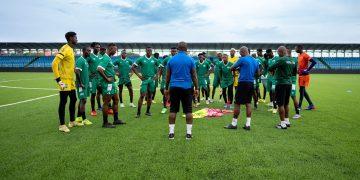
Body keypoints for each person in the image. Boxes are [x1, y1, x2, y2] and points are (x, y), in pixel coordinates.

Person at [165, 41, 199, 140]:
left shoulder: (171, 60)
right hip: (187, 87)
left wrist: (166, 88)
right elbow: (194, 75)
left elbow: (167, 76)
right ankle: (188, 134)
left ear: (178, 48)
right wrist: (196, 88)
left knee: (173, 110)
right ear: (186, 49)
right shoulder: (190, 60)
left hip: (174, 87)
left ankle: (171, 134)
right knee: (188, 111)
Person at [52, 31, 82, 133]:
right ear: (70, 38)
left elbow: (71, 66)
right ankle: (62, 125)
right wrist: (59, 80)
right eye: (75, 37)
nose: (77, 39)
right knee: (63, 102)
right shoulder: (64, 48)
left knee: (73, 100)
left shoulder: (71, 50)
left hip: (71, 80)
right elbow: (54, 64)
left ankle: (72, 121)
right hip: (64, 81)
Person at [224, 46, 259, 131]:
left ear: (243, 52)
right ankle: (248, 125)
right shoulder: (255, 61)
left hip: (243, 83)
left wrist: (238, 69)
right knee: (248, 103)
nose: (240, 54)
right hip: (251, 83)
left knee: (237, 103)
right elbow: (257, 73)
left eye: (240, 52)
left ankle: (234, 124)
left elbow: (231, 68)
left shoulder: (242, 59)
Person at [97, 43, 126, 128]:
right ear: (110, 49)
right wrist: (107, 79)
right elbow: (99, 69)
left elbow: (108, 70)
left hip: (112, 83)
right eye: (115, 49)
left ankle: (116, 119)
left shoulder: (109, 58)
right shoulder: (105, 58)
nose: (116, 51)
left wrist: (114, 75)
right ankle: (105, 123)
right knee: (106, 102)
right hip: (107, 84)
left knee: (116, 100)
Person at [132, 47, 162, 118]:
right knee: (142, 95)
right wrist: (139, 76)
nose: (149, 52)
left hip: (151, 80)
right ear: (146, 51)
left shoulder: (154, 59)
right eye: (148, 50)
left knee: (150, 96)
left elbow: (160, 67)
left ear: (152, 51)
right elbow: (133, 67)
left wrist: (157, 75)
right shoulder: (141, 59)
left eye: (150, 51)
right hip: (144, 80)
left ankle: (148, 111)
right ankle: (138, 113)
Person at [268, 46, 294, 129]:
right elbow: (294, 72)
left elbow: (270, 67)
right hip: (289, 83)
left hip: (281, 83)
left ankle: (282, 124)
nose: (278, 54)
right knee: (286, 103)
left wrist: (274, 71)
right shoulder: (292, 60)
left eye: (278, 52)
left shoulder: (281, 59)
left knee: (280, 104)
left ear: (281, 52)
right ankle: (287, 121)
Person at [74, 47, 93, 125]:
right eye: (88, 51)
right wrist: (80, 83)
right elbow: (77, 71)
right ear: (83, 51)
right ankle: (80, 119)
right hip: (81, 84)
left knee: (83, 100)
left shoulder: (85, 60)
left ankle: (81, 118)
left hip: (85, 83)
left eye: (90, 51)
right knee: (83, 100)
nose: (89, 52)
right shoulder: (80, 60)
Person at [295, 45, 317, 110]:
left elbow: (314, 62)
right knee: (301, 90)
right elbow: (300, 65)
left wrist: (307, 70)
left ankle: (299, 106)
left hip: (304, 76)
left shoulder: (305, 55)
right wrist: (298, 70)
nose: (295, 50)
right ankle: (311, 105)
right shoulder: (299, 55)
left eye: (296, 48)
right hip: (301, 75)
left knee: (301, 90)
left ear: (300, 48)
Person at [159, 47, 177, 114]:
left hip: (175, 79)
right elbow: (161, 66)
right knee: (163, 91)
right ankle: (164, 107)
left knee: (174, 93)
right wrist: (159, 75)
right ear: (171, 52)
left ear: (176, 52)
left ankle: (172, 105)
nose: (174, 53)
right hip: (167, 78)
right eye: (172, 51)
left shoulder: (179, 59)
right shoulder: (167, 59)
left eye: (175, 51)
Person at [88, 42, 102, 116]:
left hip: (100, 78)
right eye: (96, 47)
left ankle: (101, 106)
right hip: (92, 79)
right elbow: (85, 65)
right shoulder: (89, 56)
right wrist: (89, 73)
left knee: (103, 92)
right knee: (93, 94)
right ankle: (93, 110)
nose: (98, 48)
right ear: (93, 48)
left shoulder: (100, 56)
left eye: (99, 47)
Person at [287, 47, 301, 119]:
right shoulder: (294, 60)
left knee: (293, 96)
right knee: (287, 97)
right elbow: (296, 71)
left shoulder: (294, 60)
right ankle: (286, 112)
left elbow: (295, 72)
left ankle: (298, 113)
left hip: (292, 81)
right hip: (288, 80)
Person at [266, 49, 278, 114]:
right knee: (270, 91)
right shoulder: (269, 59)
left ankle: (275, 107)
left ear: (272, 53)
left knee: (274, 92)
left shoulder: (276, 58)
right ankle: (273, 105)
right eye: (267, 54)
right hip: (269, 78)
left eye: (269, 54)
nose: (268, 55)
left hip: (275, 78)